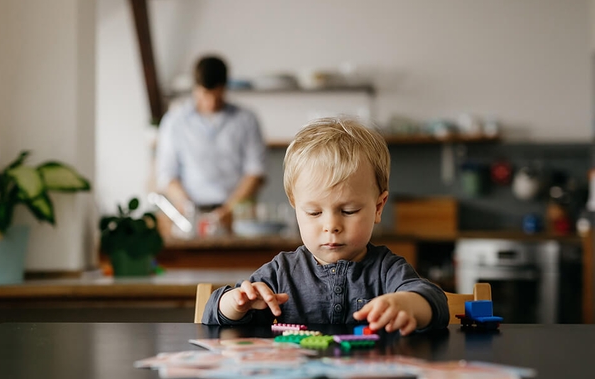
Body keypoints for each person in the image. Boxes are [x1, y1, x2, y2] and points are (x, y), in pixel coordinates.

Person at [202, 117, 449, 334]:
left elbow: (435, 302)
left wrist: (408, 304)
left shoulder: (387, 270)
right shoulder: (280, 273)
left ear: (378, 207)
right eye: (314, 212)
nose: (331, 225)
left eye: (348, 210)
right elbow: (212, 317)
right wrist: (235, 304)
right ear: (295, 208)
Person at [156, 55, 265, 231]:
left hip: (237, 214)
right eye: (206, 94)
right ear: (195, 88)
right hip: (189, 215)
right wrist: (188, 207)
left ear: (225, 87)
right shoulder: (174, 121)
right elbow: (167, 174)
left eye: (218, 94)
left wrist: (229, 209)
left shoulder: (246, 120)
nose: (212, 102)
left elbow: (255, 172)